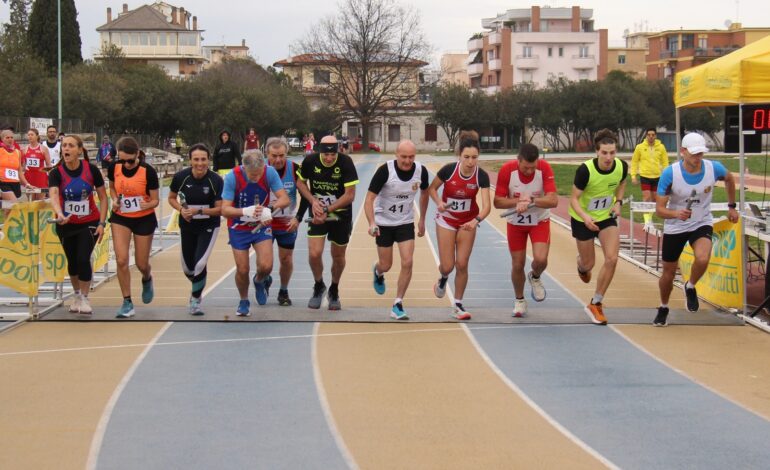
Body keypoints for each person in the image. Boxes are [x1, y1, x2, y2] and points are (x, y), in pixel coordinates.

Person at [653, 133, 739, 326]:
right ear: (683, 152)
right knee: (668, 272)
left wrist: (731, 206)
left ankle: (690, 286)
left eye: (701, 153)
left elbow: (730, 179)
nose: (698, 157)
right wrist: (676, 214)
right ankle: (663, 306)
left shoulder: (713, 168)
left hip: (701, 222)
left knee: (702, 257)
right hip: (675, 226)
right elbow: (659, 210)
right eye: (694, 154)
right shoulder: (670, 174)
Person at [428, 130, 491, 320]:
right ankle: (443, 278)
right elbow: (431, 189)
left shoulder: (481, 176)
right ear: (459, 156)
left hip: (467, 222)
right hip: (446, 220)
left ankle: (458, 304)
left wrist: (476, 220)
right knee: (447, 266)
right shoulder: (448, 170)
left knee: (462, 264)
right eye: (467, 157)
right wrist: (439, 203)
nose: (471, 162)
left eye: (474, 157)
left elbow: (487, 205)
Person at [569, 129, 628, 325]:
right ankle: (581, 265)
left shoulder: (621, 166)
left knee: (611, 258)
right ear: (597, 152)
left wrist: (618, 202)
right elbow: (574, 199)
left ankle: (596, 302)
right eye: (604, 153)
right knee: (589, 265)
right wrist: (585, 217)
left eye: (612, 152)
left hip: (605, 217)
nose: (609, 157)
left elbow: (622, 182)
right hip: (582, 218)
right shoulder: (585, 170)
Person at [365, 139, 429, 320]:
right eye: (404, 157)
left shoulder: (420, 171)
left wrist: (422, 219)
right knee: (386, 264)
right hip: (383, 223)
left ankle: (398, 303)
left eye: (411, 157)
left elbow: (425, 193)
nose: (408, 161)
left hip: (405, 222)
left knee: (407, 262)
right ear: (396, 155)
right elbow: (369, 199)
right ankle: (378, 272)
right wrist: (372, 223)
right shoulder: (385, 171)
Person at [221, 150, 289, 316]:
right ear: (244, 167)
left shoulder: (269, 172)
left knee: (266, 265)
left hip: (260, 225)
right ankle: (244, 300)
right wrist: (245, 211)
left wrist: (269, 210)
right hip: (239, 227)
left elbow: (285, 199)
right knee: (242, 268)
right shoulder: (232, 177)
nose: (256, 178)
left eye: (259, 174)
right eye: (252, 175)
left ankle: (259, 280)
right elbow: (225, 209)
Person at [494, 143, 558, 318]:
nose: (529, 171)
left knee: (541, 259)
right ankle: (519, 299)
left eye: (532, 167)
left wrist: (532, 201)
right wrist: (517, 202)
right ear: (518, 161)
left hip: (539, 220)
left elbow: (553, 200)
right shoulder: (507, 170)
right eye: (525, 168)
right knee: (517, 263)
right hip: (516, 222)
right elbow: (498, 202)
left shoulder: (544, 168)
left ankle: (535, 276)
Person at [296, 135, 359, 310]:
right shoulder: (310, 161)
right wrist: (313, 201)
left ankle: (334, 289)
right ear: (320, 151)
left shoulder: (346, 162)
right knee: (314, 253)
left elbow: (350, 195)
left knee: (338, 256)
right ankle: (319, 285)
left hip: (341, 215)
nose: (329, 158)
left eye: (333, 154)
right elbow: (300, 183)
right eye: (325, 155)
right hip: (317, 212)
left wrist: (326, 210)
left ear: (338, 150)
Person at [48, 135, 108, 314]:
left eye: (70, 146)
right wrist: (59, 213)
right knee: (72, 261)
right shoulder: (56, 172)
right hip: (65, 224)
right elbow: (53, 194)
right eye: (64, 146)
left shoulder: (91, 170)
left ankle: (85, 297)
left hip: (89, 222)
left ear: (79, 150)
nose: (66, 149)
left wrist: (102, 223)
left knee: (83, 259)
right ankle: (76, 295)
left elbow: (104, 198)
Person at [168, 144, 224, 316]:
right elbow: (171, 198)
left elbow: (219, 209)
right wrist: (181, 209)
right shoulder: (181, 177)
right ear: (190, 161)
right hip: (187, 226)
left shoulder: (215, 180)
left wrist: (199, 211)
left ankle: (195, 300)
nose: (200, 164)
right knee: (188, 269)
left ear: (208, 160)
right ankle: (198, 284)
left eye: (203, 159)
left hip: (208, 226)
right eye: (196, 160)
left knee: (200, 264)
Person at [108, 137, 160, 318]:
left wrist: (148, 205)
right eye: (123, 160)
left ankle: (147, 277)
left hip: (143, 219)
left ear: (138, 155)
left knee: (141, 263)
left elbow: (155, 200)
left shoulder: (148, 172)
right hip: (121, 217)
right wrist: (114, 200)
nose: (127, 164)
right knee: (121, 260)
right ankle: (127, 302)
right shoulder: (114, 168)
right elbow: (112, 188)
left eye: (130, 160)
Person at [265, 137, 303, 306]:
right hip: (265, 223)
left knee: (286, 259)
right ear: (267, 154)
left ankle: (283, 290)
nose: (278, 160)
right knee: (265, 263)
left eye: (282, 155)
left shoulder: (294, 169)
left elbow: (307, 196)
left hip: (287, 222)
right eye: (274, 156)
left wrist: (298, 218)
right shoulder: (260, 169)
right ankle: (263, 277)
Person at [631, 128, 669, 229]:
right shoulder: (640, 147)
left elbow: (665, 162)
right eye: (649, 134)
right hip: (645, 175)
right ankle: (647, 222)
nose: (651, 136)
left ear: (656, 136)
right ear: (646, 136)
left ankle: (649, 219)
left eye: (653, 135)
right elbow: (634, 161)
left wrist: (666, 175)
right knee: (646, 197)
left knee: (655, 198)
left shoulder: (661, 147)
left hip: (657, 176)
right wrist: (633, 176)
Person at [0, 129, 30, 215]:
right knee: (14, 205)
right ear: (2, 139)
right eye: (7, 137)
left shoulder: (17, 152)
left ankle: (6, 227)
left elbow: (19, 171)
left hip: (15, 183)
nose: (10, 139)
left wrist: (26, 184)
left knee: (8, 210)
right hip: (3, 183)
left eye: (12, 137)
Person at [23, 128, 52, 200]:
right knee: (31, 201)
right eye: (28, 135)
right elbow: (23, 166)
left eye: (32, 135)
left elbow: (49, 165)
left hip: (41, 177)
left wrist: (50, 178)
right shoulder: (25, 149)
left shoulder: (43, 149)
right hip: (29, 177)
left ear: (37, 136)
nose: (30, 136)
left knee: (40, 201)